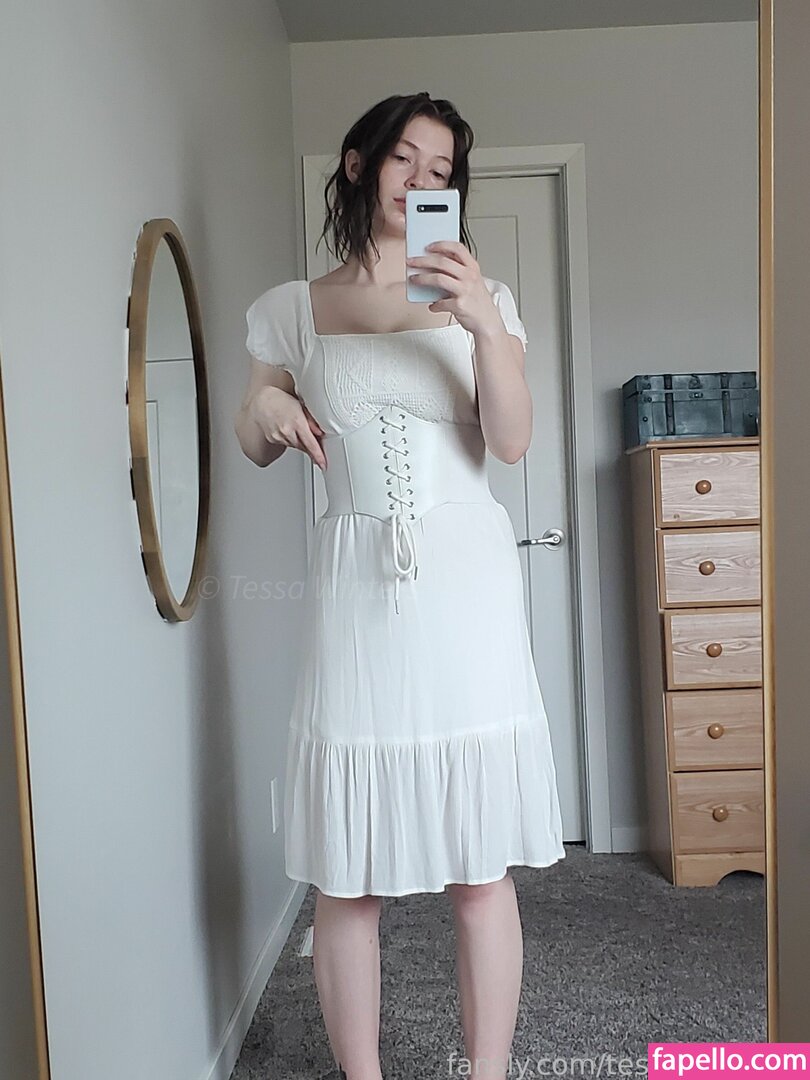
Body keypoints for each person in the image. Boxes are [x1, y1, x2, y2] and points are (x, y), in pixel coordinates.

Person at [235, 92, 565, 1080]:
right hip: (357, 588)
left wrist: (484, 324)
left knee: (480, 870)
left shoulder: (485, 297)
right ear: (357, 163)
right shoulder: (292, 308)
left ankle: (488, 1072)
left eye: (442, 170)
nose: (422, 181)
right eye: (403, 159)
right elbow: (253, 434)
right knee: (348, 878)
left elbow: (511, 442)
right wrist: (270, 412)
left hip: (465, 585)